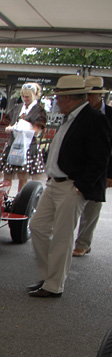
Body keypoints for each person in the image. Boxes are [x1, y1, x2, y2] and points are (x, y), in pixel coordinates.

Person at [27, 75, 112, 298]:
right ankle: (49, 275)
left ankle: (54, 285)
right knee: (37, 226)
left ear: (67, 98)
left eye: (58, 97)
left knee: (63, 237)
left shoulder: (93, 119)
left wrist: (81, 187)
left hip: (71, 185)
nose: (56, 102)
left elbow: (100, 158)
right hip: (55, 183)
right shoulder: (71, 117)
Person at [74, 76, 112, 256]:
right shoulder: (79, 112)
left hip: (101, 167)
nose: (88, 98)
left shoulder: (109, 115)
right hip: (79, 166)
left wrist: (110, 173)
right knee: (75, 203)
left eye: (91, 94)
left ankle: (83, 243)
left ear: (99, 95)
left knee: (93, 205)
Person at [0, 83, 48, 194]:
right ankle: (3, 199)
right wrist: (10, 128)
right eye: (23, 96)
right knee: (7, 175)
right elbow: (7, 122)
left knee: (23, 177)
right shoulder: (18, 108)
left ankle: (18, 202)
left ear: (34, 95)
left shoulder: (39, 110)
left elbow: (37, 130)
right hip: (13, 144)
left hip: (28, 146)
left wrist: (24, 128)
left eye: (28, 96)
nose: (25, 99)